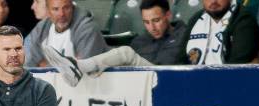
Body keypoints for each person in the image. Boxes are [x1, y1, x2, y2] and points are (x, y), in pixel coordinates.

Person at [42, 0, 188, 87]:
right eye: (146, 22)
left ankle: (80, 66)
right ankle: (87, 69)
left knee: (125, 53)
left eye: (156, 20)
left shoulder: (185, 35)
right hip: (142, 84)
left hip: (168, 80)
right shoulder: (140, 41)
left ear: (168, 15)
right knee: (112, 62)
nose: (152, 27)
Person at [25, 0, 107, 67]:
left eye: (66, 8)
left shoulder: (87, 28)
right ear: (48, 11)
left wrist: (44, 64)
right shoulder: (41, 28)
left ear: (72, 7)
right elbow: (28, 64)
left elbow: (84, 68)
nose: (61, 14)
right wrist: (70, 63)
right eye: (55, 9)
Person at [184, 0, 259, 64]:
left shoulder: (243, 19)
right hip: (193, 78)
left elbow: (237, 65)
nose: (213, 1)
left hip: (228, 79)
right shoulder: (195, 19)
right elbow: (180, 59)